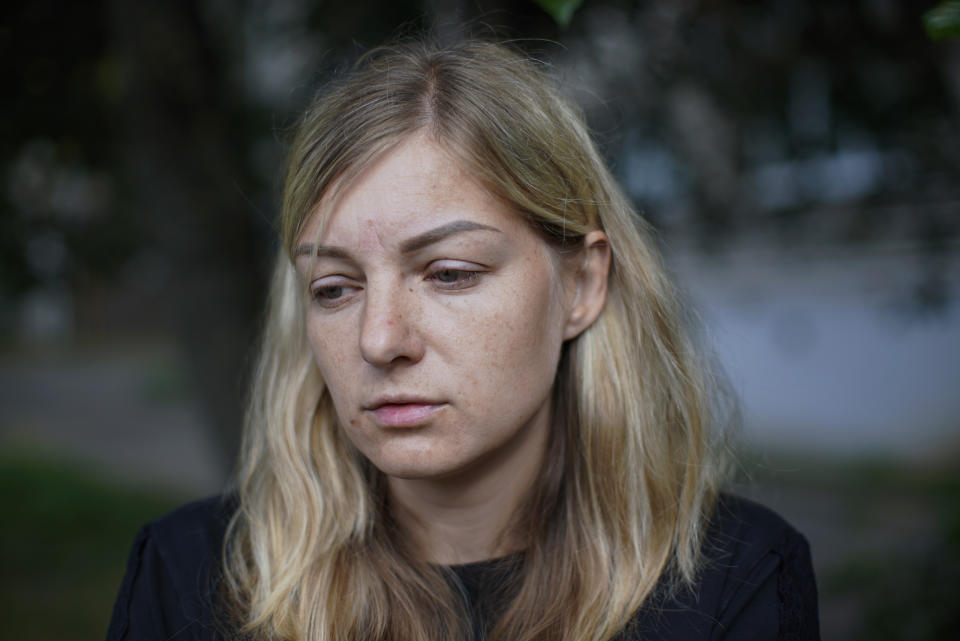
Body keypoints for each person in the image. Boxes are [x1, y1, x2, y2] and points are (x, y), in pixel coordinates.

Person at [106, 39, 820, 641]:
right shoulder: (192, 578)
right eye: (335, 287)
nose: (380, 339)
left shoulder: (735, 578)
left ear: (581, 285)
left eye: (448, 274)